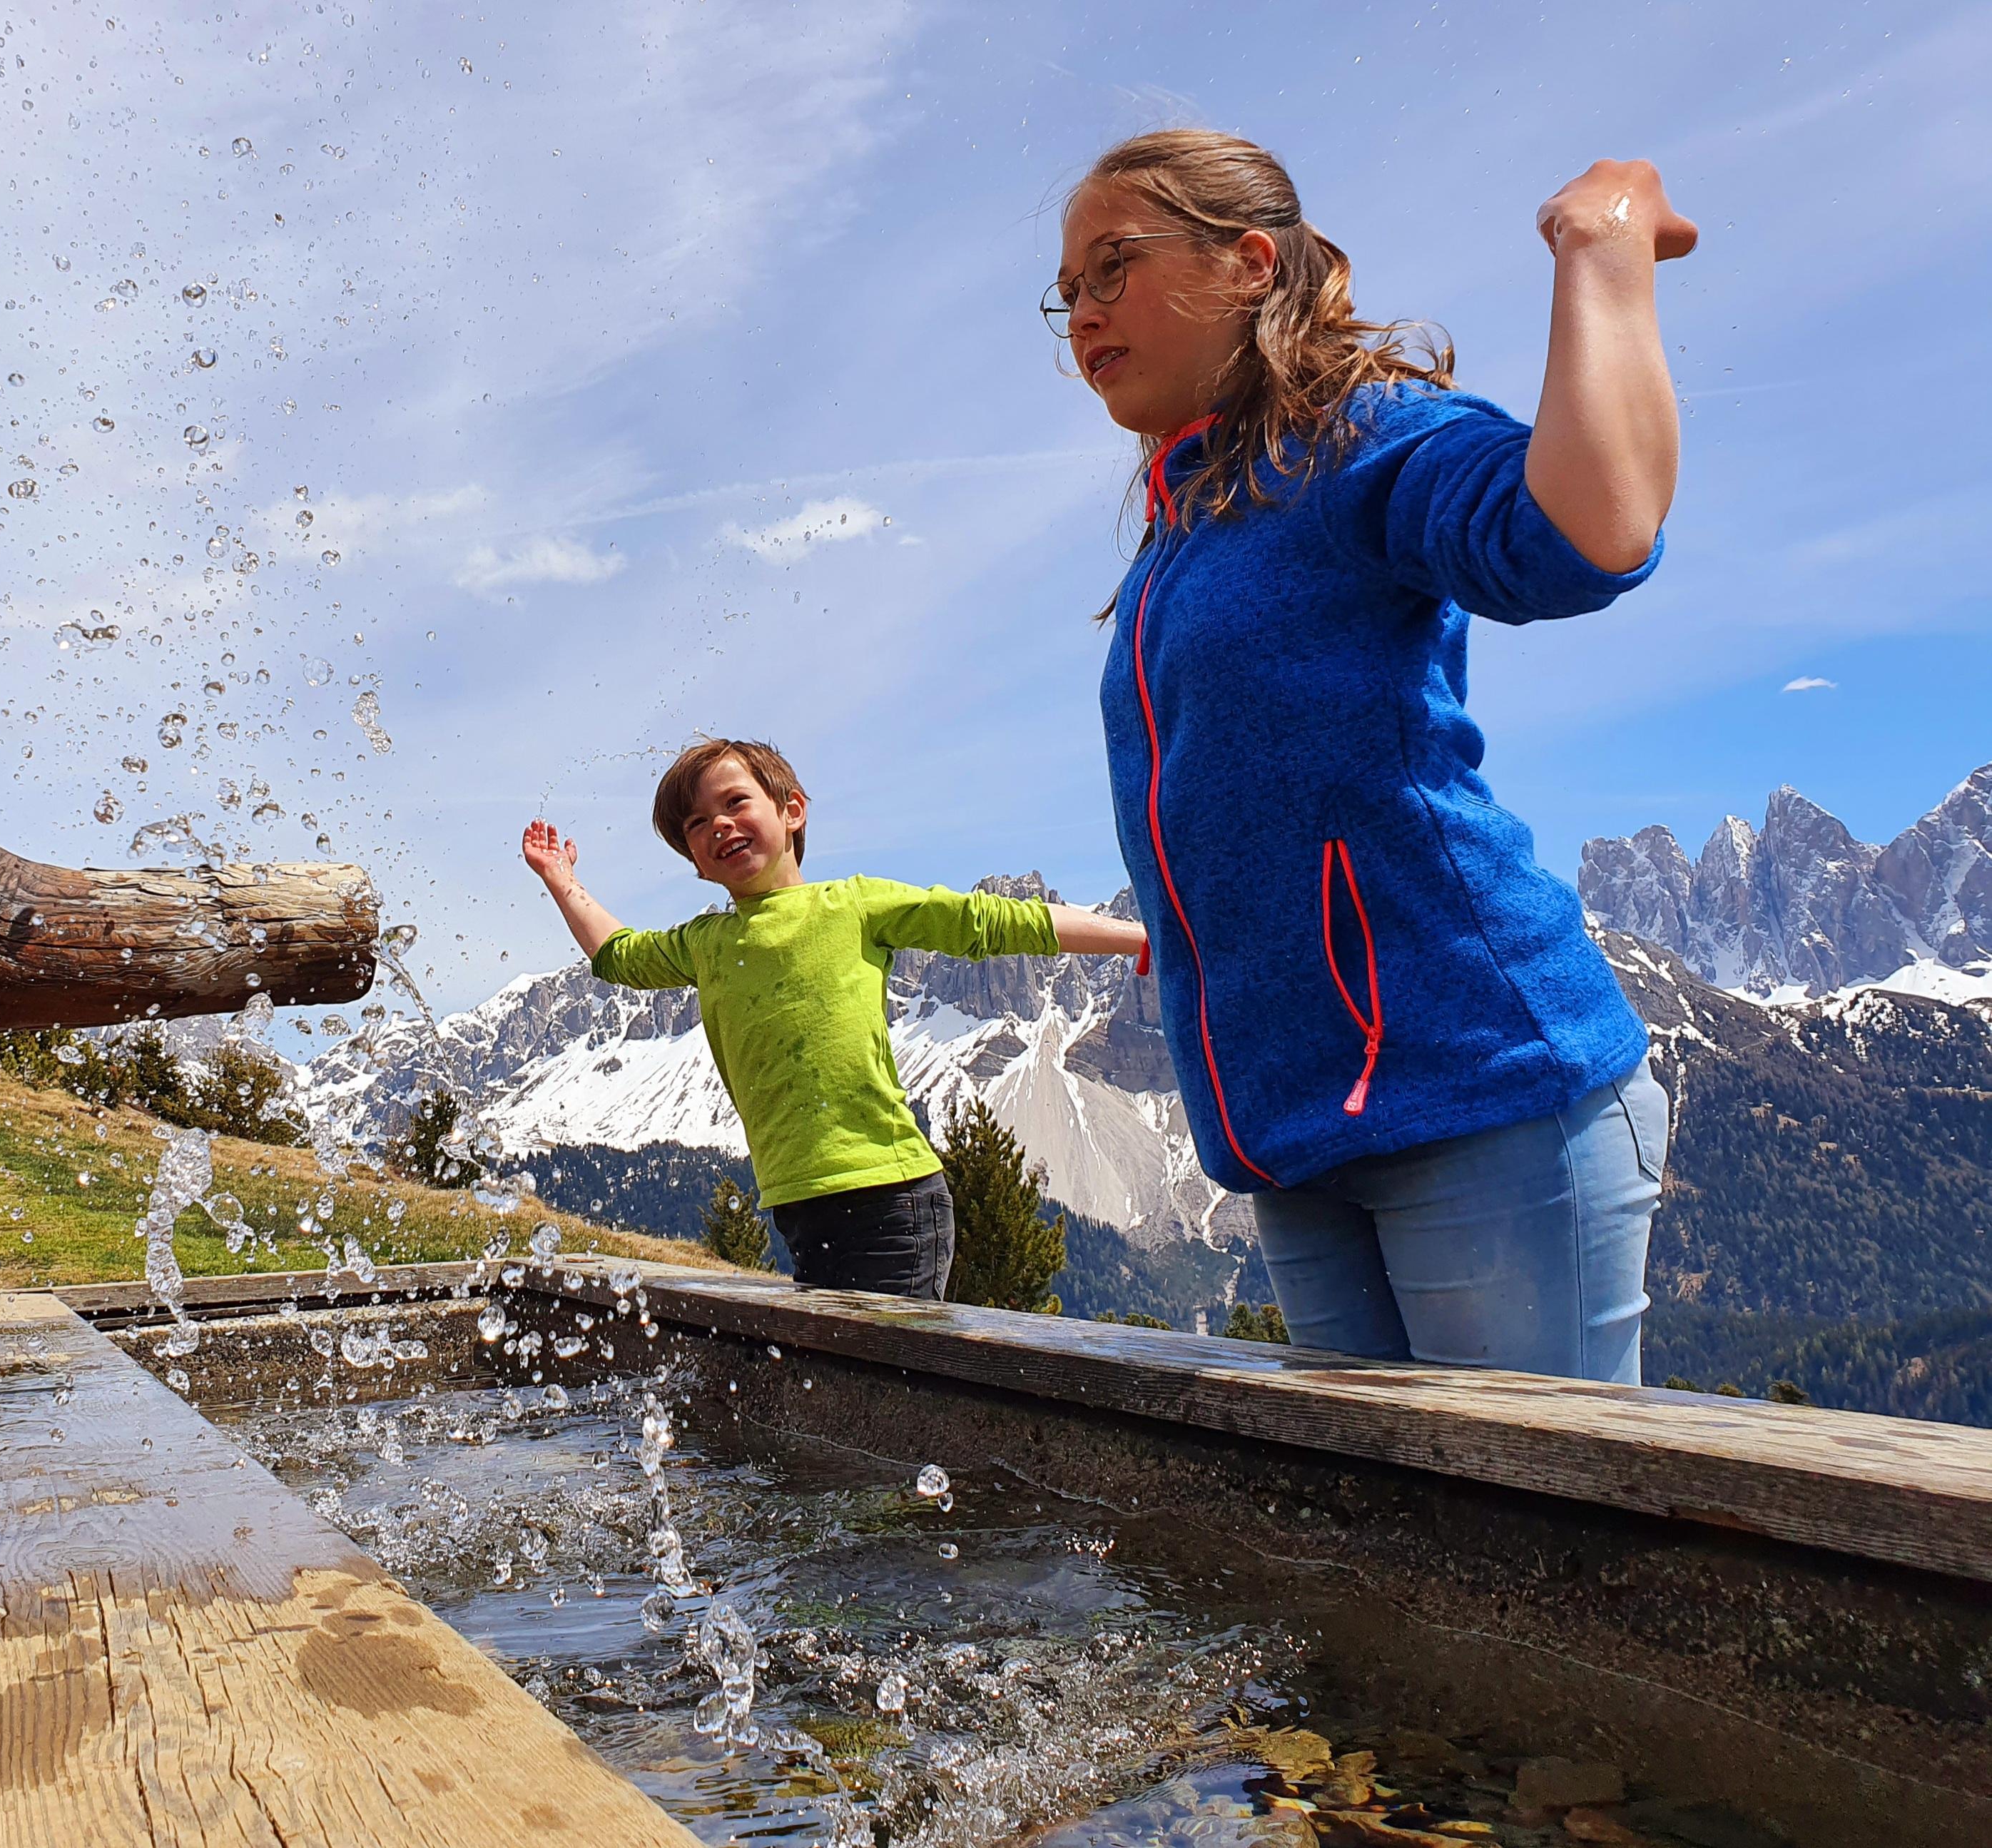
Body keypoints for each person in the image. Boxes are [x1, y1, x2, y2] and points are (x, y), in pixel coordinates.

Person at [1052, 129, 1692, 1382]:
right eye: (1064, 290)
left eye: (1110, 266)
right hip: (1296, 1137)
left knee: (1537, 1536)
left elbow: (1585, 530)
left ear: (1245, 265)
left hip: (1479, 1094)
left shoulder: (1358, 437)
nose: (1080, 311)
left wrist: (1601, 251)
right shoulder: (1184, 527)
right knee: (1380, 1549)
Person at [520, 738, 1149, 1299]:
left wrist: (1138, 937)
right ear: (694, 860)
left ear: (791, 811)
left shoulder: (853, 904)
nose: (719, 824)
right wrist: (560, 879)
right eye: (696, 823)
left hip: (890, 1195)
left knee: (883, 1380)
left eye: (736, 802)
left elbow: (993, 922)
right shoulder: (703, 943)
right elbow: (617, 954)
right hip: (796, 1202)